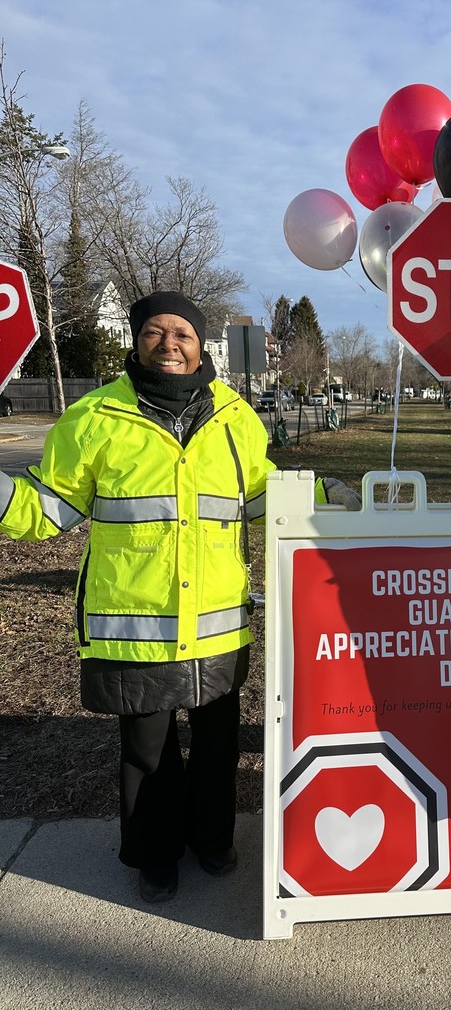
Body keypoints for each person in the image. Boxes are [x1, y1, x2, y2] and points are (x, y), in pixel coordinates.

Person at [0, 290, 359, 903]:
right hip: (136, 626)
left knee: (217, 744)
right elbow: (47, 508)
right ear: (135, 341)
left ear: (199, 344)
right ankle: (154, 855)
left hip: (219, 622)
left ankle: (213, 840)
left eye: (183, 333)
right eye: (154, 332)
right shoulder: (94, 420)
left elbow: (262, 495)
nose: (169, 344)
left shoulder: (235, 418)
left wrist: (325, 494)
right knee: (148, 753)